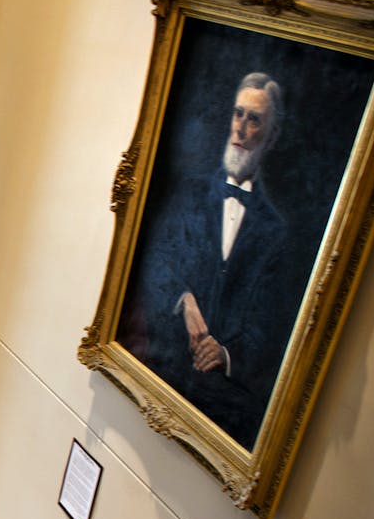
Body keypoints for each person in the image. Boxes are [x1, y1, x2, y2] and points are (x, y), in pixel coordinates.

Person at [120, 71, 302, 449]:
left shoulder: (275, 232)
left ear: (271, 135)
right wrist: (183, 301)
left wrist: (225, 354)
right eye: (238, 114)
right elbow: (155, 262)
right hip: (160, 371)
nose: (241, 128)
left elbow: (269, 328)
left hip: (223, 408)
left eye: (254, 120)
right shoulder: (190, 193)